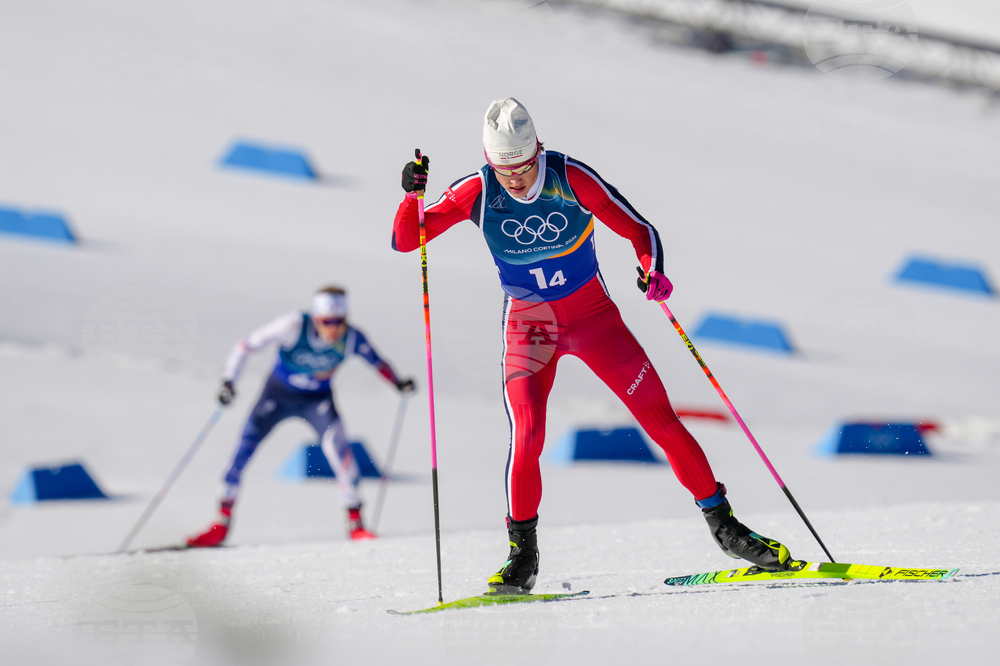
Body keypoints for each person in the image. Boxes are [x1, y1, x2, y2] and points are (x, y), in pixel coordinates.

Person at [391, 98, 793, 592]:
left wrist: (652, 268)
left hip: (595, 320)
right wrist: (411, 197)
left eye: (523, 165)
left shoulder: (570, 176)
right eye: (504, 168)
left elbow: (638, 229)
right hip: (530, 327)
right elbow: (409, 240)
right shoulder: (476, 191)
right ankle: (523, 556)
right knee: (528, 435)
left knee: (661, 421)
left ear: (538, 149)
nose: (515, 178)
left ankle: (726, 528)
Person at [187, 286, 416, 547]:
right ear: (316, 318)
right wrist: (228, 381)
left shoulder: (352, 338)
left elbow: (377, 362)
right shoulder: (293, 325)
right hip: (277, 395)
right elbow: (246, 345)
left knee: (339, 452)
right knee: (242, 452)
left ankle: (356, 525)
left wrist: (399, 383)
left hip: (317, 401)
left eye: (339, 322)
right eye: (327, 322)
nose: (334, 329)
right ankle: (220, 526)